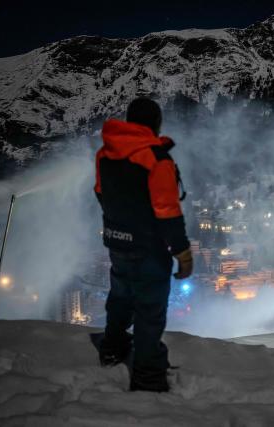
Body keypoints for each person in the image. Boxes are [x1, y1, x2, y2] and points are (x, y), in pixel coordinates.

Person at [94, 97, 193, 392]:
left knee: (121, 299)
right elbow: (168, 211)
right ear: (156, 124)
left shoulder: (105, 154)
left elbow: (101, 193)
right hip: (149, 247)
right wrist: (182, 252)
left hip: (117, 242)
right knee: (149, 312)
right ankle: (148, 377)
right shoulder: (156, 158)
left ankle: (111, 350)